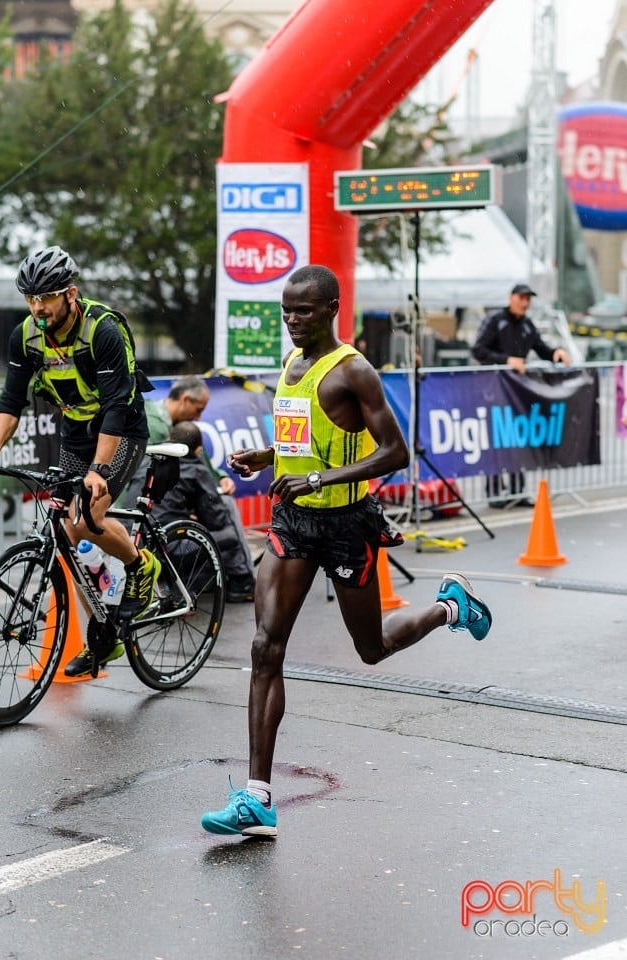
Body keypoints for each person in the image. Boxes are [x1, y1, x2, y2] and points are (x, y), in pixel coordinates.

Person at [201, 264, 492, 839]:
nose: (291, 321)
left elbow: (395, 453)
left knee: (373, 647)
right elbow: (299, 438)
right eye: (285, 311)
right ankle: (257, 795)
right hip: (293, 523)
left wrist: (322, 480)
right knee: (266, 646)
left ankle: (449, 607)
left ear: (332, 307)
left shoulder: (354, 371)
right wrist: (267, 457)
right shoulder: (292, 364)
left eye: (303, 311)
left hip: (346, 524)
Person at [0, 245, 161, 677]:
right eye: (30, 298)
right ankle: (104, 634)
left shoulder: (103, 329)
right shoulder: (25, 335)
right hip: (76, 433)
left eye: (46, 297)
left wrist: (99, 472)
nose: (37, 307)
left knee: (84, 519)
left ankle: (142, 566)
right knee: (66, 533)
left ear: (71, 294)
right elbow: (10, 402)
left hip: (120, 430)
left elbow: (118, 407)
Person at [146, 375, 256, 600]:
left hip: (163, 513)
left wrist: (221, 477)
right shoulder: (157, 429)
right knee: (224, 509)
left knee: (219, 501)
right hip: (152, 516)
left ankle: (230, 573)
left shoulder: (182, 430)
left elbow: (202, 465)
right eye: (198, 409)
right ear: (185, 400)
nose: (199, 416)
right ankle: (243, 578)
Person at [122, 420, 256, 601]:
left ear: (170, 438)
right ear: (199, 450)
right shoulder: (195, 469)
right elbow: (216, 519)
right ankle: (242, 582)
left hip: (131, 542)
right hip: (168, 545)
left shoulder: (148, 458)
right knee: (228, 527)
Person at [472, 283, 572, 508]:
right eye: (521, 298)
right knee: (499, 440)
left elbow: (542, 349)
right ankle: (496, 494)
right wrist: (507, 360)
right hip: (494, 391)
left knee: (518, 440)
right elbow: (478, 350)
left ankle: (518, 491)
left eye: (528, 299)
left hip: (518, 393)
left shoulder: (527, 324)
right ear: (511, 298)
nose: (525, 303)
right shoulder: (496, 320)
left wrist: (556, 353)